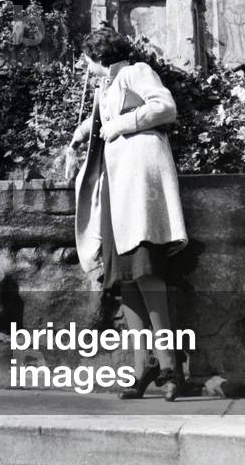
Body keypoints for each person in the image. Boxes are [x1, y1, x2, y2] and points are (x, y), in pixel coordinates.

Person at [71, 25, 188, 400]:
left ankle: (170, 366)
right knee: (125, 280)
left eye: (85, 57)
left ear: (96, 54)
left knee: (147, 273)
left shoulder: (136, 71)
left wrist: (118, 125)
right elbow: (108, 119)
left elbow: (164, 107)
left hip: (138, 188)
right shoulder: (106, 87)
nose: (84, 64)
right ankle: (143, 366)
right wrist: (87, 129)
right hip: (116, 190)